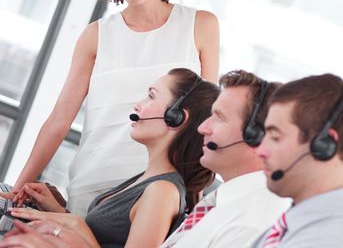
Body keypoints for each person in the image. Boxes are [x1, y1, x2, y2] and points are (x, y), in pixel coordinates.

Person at [12, 0, 219, 217]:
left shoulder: (201, 25)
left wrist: (197, 199)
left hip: (160, 192)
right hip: (93, 190)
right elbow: (59, 121)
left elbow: (206, 121)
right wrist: (19, 186)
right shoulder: (96, 36)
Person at [5, 68, 220, 248]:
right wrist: (57, 210)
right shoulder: (149, 179)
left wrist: (74, 224)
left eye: (151, 95)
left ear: (177, 117)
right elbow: (102, 239)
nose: (138, 105)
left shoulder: (162, 192)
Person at [161, 70, 290, 248]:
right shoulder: (223, 199)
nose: (202, 128)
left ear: (257, 136)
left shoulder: (249, 225)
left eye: (220, 118)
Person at [251, 73, 343, 247]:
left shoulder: (326, 239)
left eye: (276, 137)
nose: (260, 151)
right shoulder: (296, 223)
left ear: (323, 145)